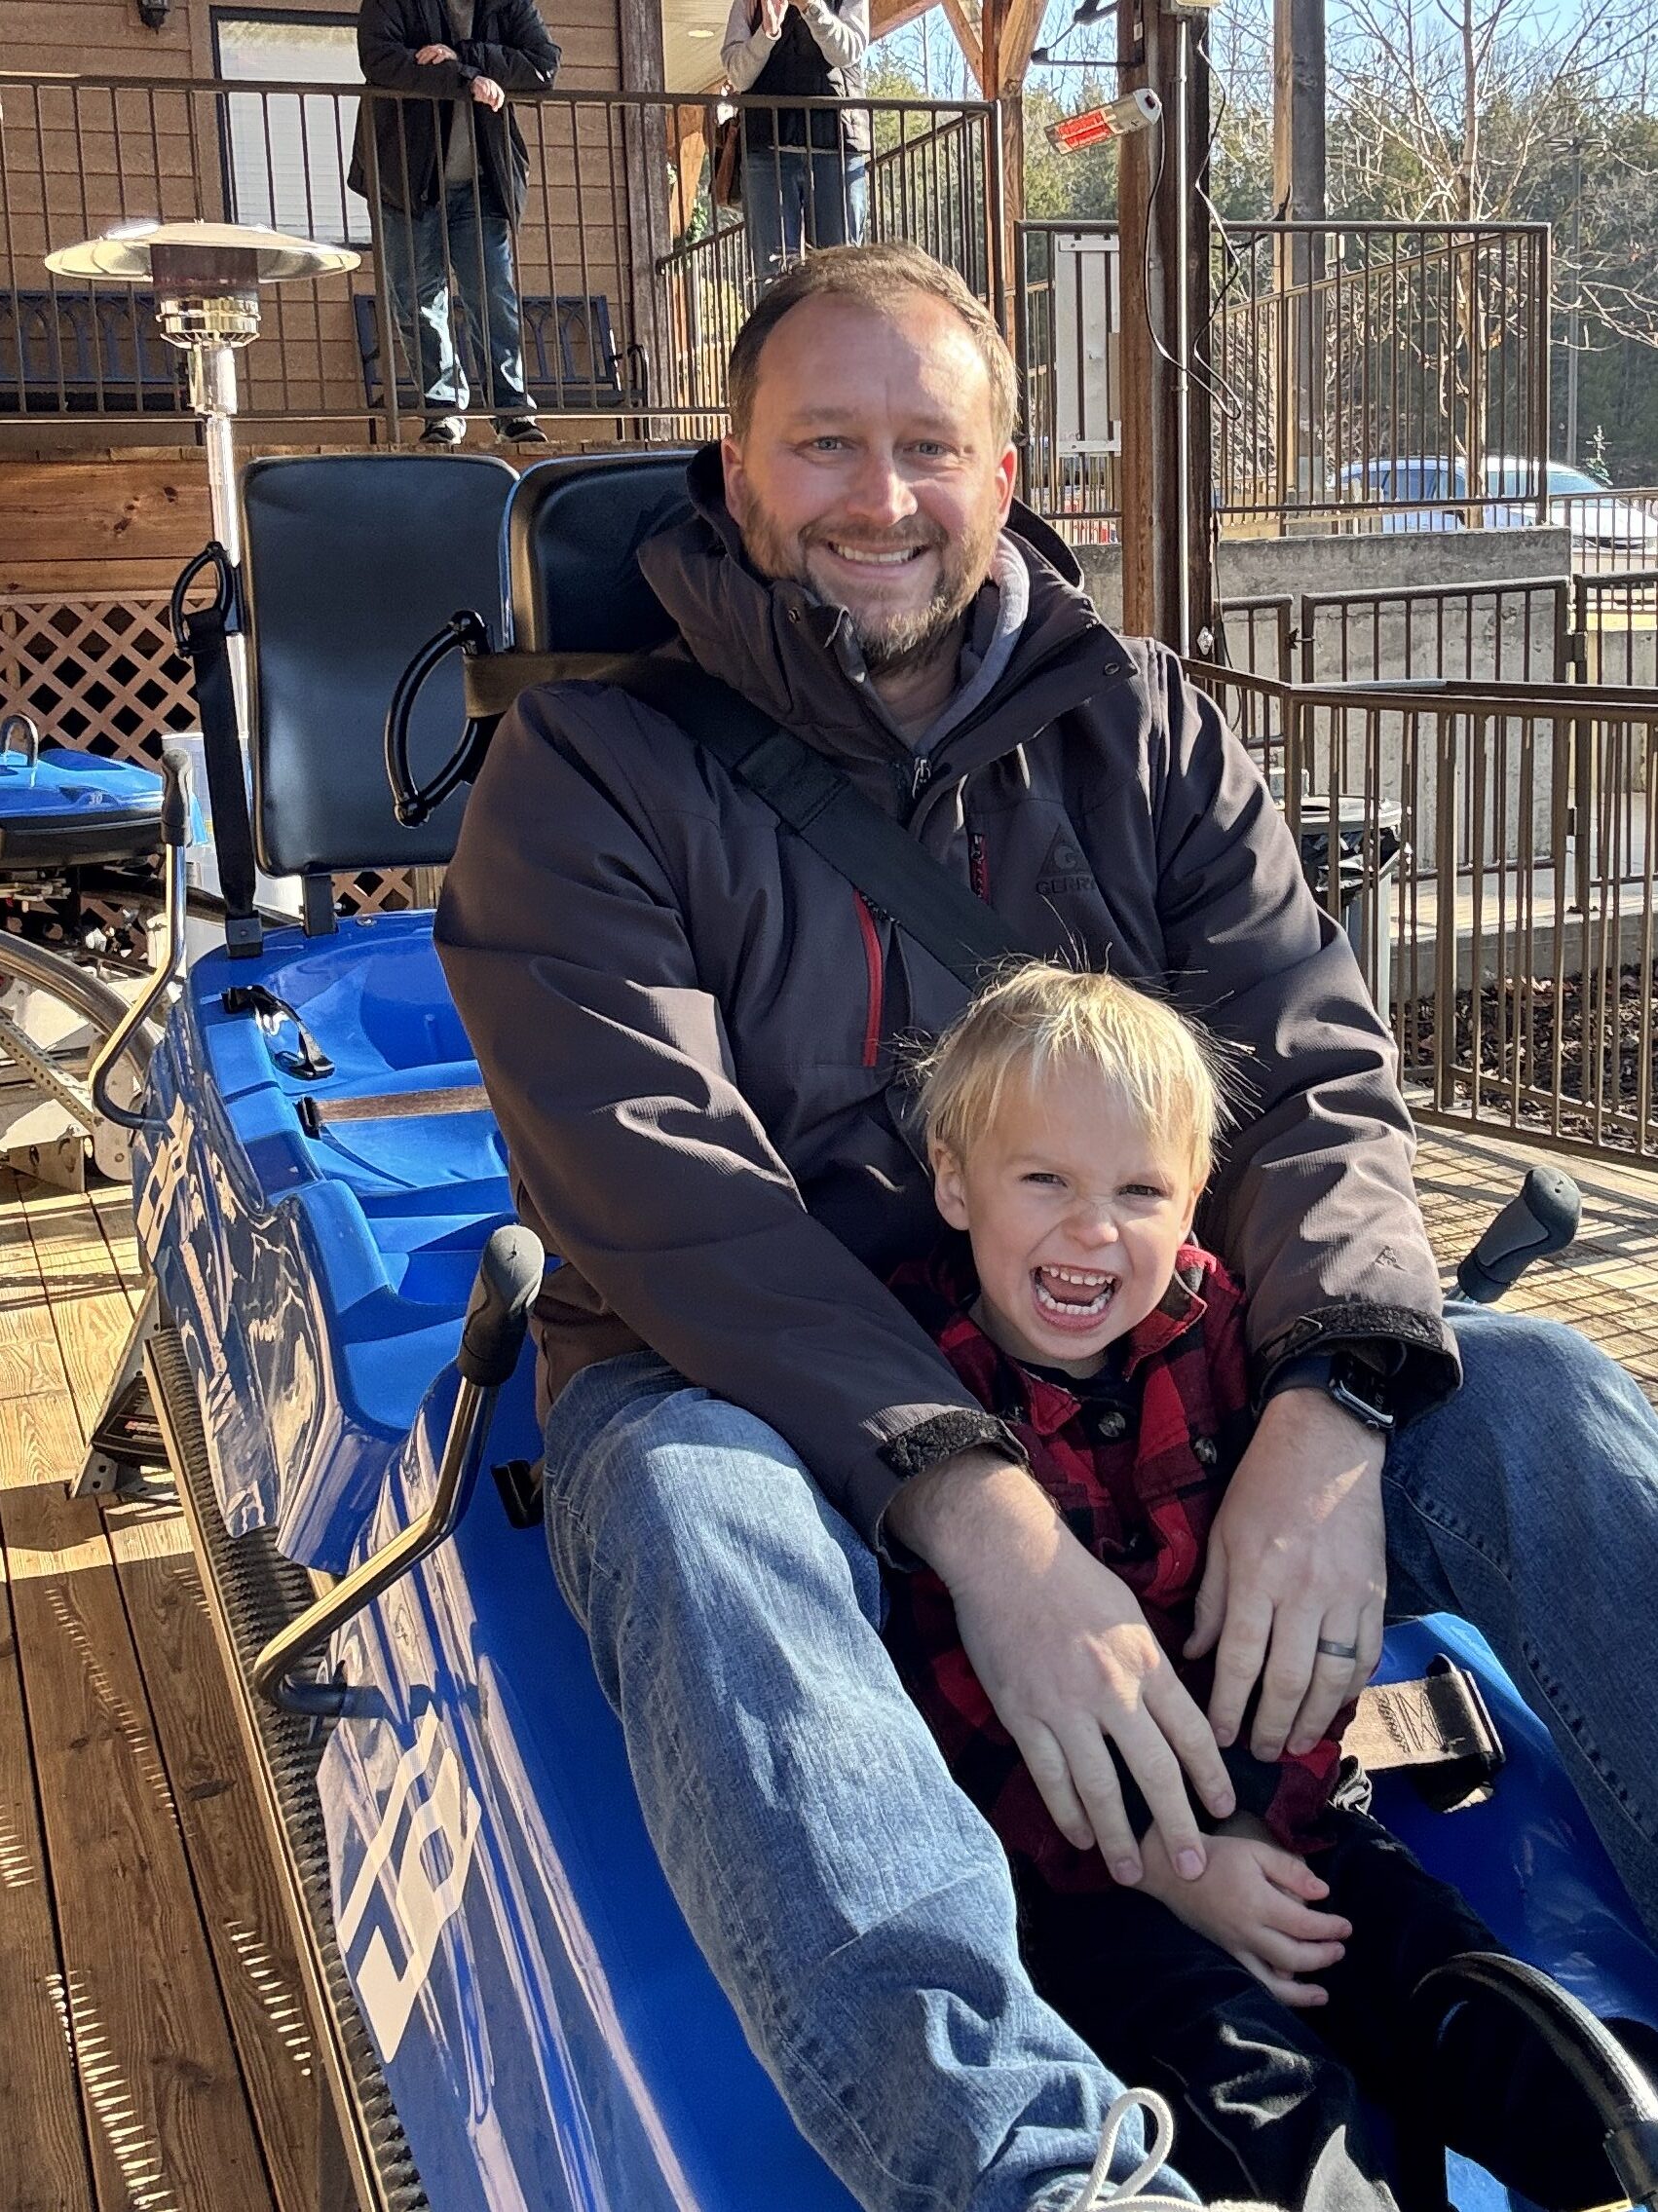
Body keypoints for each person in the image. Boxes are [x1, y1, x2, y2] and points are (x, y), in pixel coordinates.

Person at [434, 243, 1658, 2212]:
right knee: (686, 1505)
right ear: (736, 477)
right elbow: (653, 1178)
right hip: (763, 1391)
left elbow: (1307, 1077)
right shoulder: (584, 769)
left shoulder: (1149, 731)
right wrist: (968, 1503)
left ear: (1005, 474)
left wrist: (1331, 1399)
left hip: (1147, 1360)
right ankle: (1036, 2172)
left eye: (926, 442)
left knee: (1525, 1382)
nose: (877, 495)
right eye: (821, 443)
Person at [884, 959, 1633, 2210]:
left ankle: (1610, 2147)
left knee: (1444, 1973)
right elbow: (954, 1697)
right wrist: (1169, 1863)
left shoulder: (1214, 1335)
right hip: (1078, 1875)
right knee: (1239, 2073)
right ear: (955, 1183)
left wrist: (1246, 1821)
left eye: (1139, 1190)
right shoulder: (915, 1390)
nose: (1093, 1230)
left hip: (1272, 1815)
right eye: (1043, 1183)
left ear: (1192, 1202)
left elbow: (1297, 1634)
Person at [350, 0, 560, 447]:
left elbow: (544, 66)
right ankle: (442, 411)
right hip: (404, 178)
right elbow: (382, 61)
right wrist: (466, 79)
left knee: (493, 296)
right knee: (417, 301)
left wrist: (464, 55)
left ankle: (512, 412)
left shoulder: (508, 3)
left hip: (483, 181)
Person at [721, 0, 870, 288]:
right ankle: (779, 334)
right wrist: (767, 34)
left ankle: (835, 334)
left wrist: (812, 9)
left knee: (841, 276)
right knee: (772, 278)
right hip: (767, 149)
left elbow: (848, 52)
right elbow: (737, 74)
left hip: (836, 147)